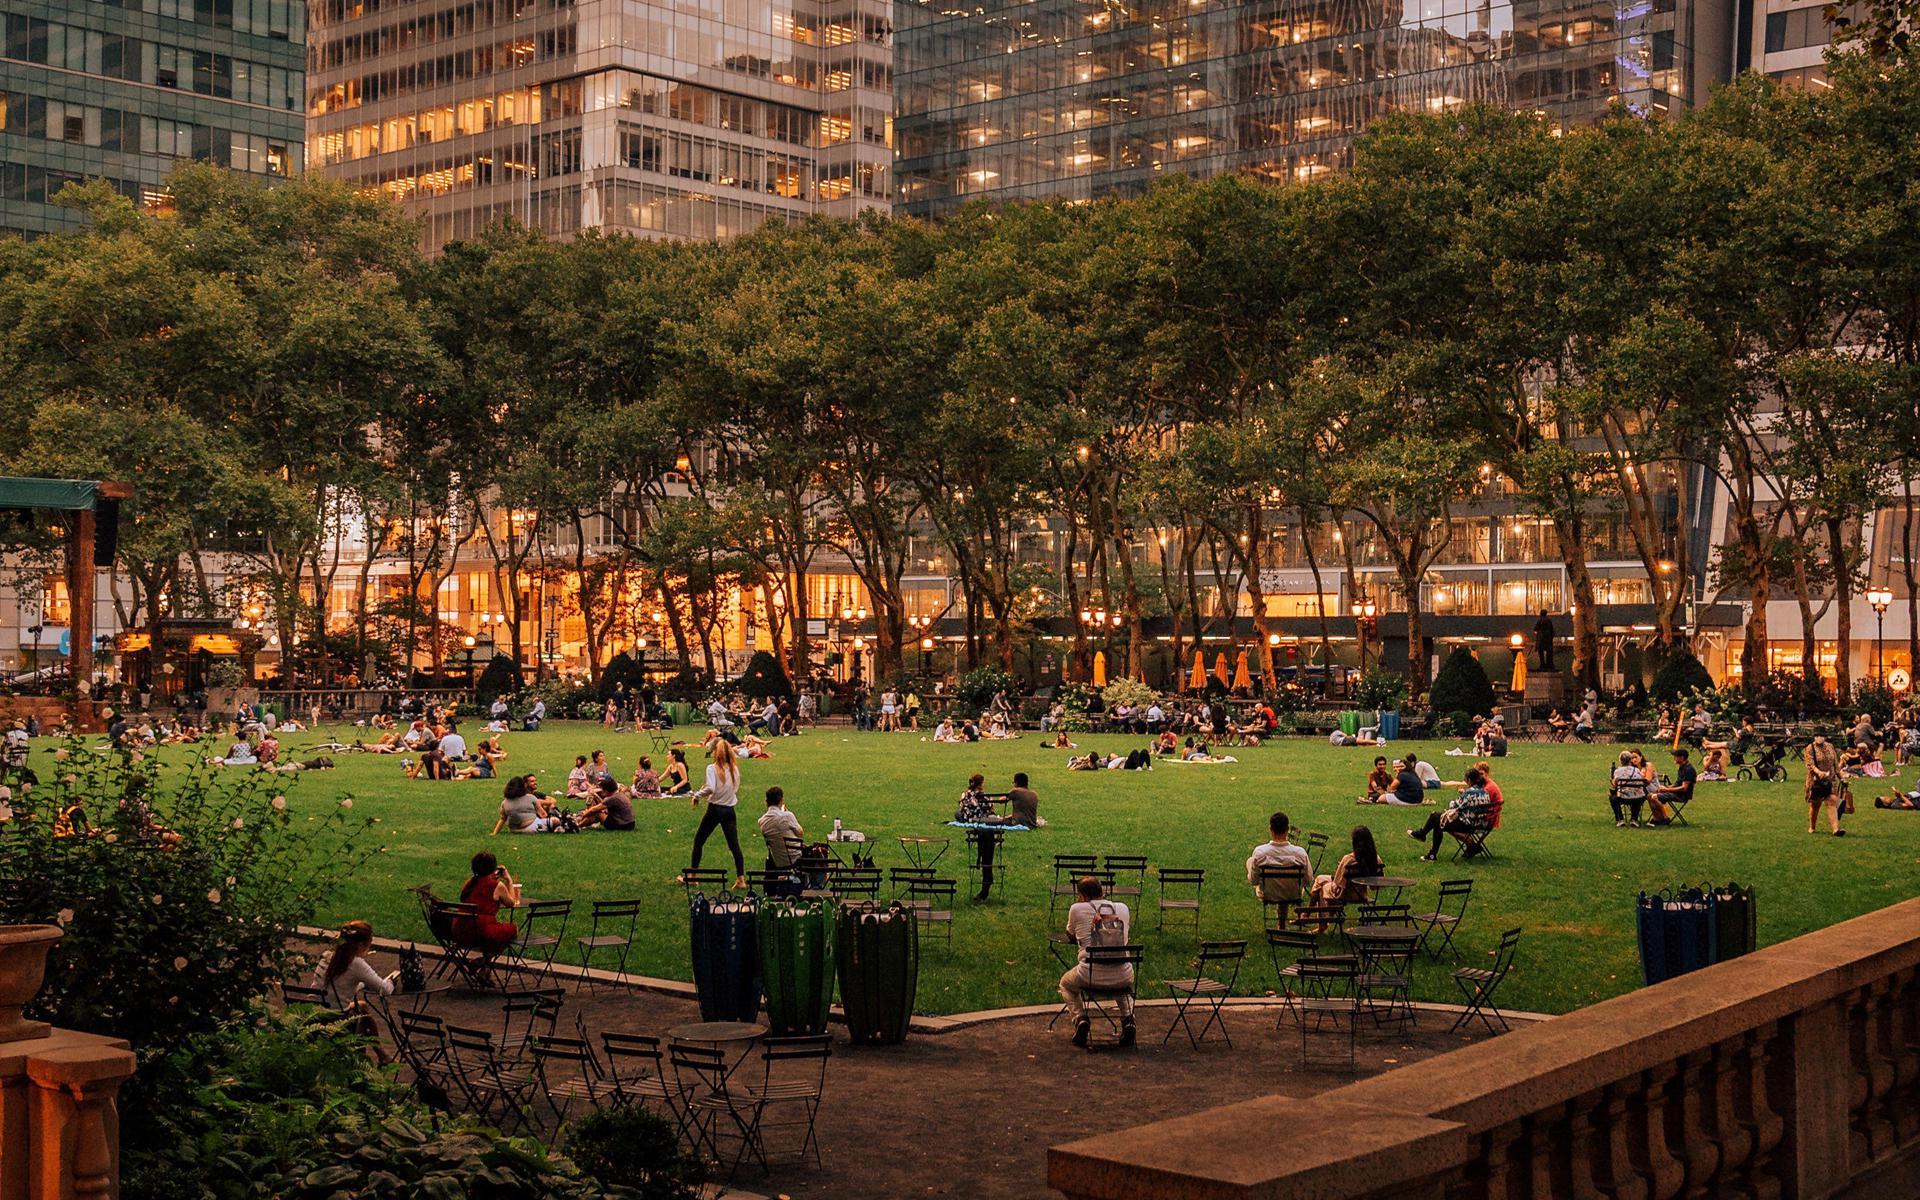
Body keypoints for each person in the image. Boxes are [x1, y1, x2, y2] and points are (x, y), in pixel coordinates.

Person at [1058, 875, 1134, 1049]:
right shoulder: (1122, 908)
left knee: (1065, 984)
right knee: (1121, 989)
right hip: (1124, 974)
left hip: (1089, 975)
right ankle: (1128, 1019)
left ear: (1083, 895)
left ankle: (1080, 1018)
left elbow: (1070, 933)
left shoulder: (1077, 909)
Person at [311, 919, 396, 1061]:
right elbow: (385, 989)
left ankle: (382, 1054)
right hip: (336, 1017)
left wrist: (361, 984)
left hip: (316, 1012)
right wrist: (392, 980)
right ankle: (376, 1057)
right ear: (361, 944)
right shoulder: (356, 963)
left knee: (362, 1007)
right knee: (362, 1013)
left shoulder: (328, 956)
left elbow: (338, 985)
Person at [682, 740, 746, 888]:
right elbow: (733, 788)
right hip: (730, 810)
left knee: (699, 840)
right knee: (734, 845)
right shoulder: (734, 769)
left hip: (715, 809)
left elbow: (711, 787)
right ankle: (741, 878)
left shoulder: (712, 768)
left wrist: (697, 795)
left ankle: (692, 876)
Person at [1407, 767, 1496, 860]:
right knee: (1438, 820)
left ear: (1469, 780)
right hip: (1482, 824)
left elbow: (1454, 806)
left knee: (1436, 818)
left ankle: (1424, 839)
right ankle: (1430, 850)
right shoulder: (1485, 792)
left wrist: (1458, 798)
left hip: (1469, 825)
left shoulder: (1469, 793)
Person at [450, 852, 521, 964]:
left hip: (459, 929)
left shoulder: (469, 883)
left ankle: (485, 971)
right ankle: (485, 962)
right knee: (512, 930)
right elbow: (511, 903)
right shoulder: (496, 886)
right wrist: (509, 881)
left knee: (494, 935)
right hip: (481, 931)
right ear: (493, 868)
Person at [955, 773, 1001, 901]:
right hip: (986, 821)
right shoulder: (986, 796)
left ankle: (986, 880)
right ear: (982, 783)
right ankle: (987, 879)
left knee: (957, 813)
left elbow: (962, 809)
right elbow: (991, 809)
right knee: (987, 855)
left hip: (973, 821)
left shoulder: (965, 794)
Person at [1311, 826, 1384, 907]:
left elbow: (1337, 883)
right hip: (1362, 894)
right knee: (1320, 879)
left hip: (1344, 894)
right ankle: (1308, 914)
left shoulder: (1348, 859)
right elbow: (1375, 886)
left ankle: (1315, 915)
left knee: (1322, 886)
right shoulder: (1376, 859)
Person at [1245, 811, 1311, 898]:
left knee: (1250, 861)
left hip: (1268, 893)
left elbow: (1254, 880)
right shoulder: (1300, 854)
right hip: (1294, 893)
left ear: (1270, 829)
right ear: (1287, 830)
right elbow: (1308, 880)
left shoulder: (1260, 853)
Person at [757, 786, 804, 889]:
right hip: (795, 857)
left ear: (766, 802)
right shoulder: (787, 816)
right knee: (819, 854)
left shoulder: (762, 822)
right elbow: (800, 834)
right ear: (781, 801)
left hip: (777, 860)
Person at [1805, 732, 1845, 836]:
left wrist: (1841, 777)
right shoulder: (1810, 748)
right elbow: (1810, 764)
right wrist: (1819, 772)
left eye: (1821, 735)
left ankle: (1836, 829)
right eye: (1817, 735)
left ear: (1825, 737)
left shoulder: (1830, 746)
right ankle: (1812, 827)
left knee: (1831, 801)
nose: (1819, 738)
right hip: (1816, 781)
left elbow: (1835, 764)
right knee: (1815, 805)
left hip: (1830, 780)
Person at [1647, 747, 1695, 827]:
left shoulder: (1688, 769)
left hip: (1682, 795)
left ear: (1682, 757)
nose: (1674, 758)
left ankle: (1665, 818)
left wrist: (1667, 789)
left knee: (1654, 797)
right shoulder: (1682, 767)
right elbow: (1677, 784)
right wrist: (1665, 788)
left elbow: (1684, 788)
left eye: (1676, 756)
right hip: (1676, 792)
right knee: (1649, 796)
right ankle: (1657, 818)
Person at [1608, 750, 1650, 827]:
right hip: (1637, 798)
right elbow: (1643, 780)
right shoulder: (1636, 770)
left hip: (1622, 798)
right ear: (1630, 760)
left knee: (1612, 797)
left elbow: (1614, 785)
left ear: (1620, 761)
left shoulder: (1618, 771)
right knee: (1638, 794)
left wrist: (1612, 780)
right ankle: (1634, 819)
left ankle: (1620, 819)